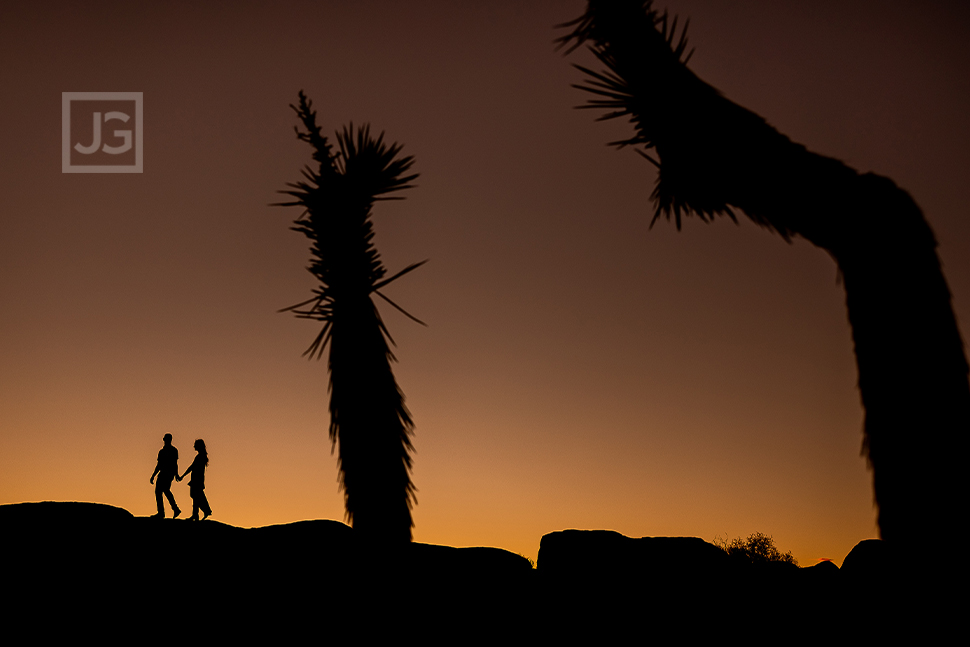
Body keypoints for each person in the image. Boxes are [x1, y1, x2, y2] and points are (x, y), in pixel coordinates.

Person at [178, 439, 212, 521]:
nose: (194, 446)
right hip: (196, 479)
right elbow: (192, 467)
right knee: (196, 496)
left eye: (195, 445)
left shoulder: (200, 457)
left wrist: (182, 476)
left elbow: (192, 467)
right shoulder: (201, 456)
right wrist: (183, 476)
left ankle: (202, 512)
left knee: (196, 496)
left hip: (197, 479)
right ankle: (199, 513)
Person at [150, 433, 181, 518]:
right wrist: (153, 475)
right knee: (162, 491)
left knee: (163, 491)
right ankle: (173, 509)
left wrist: (176, 474)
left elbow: (175, 464)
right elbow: (159, 465)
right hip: (164, 474)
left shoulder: (172, 451)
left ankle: (164, 512)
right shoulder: (163, 451)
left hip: (168, 474)